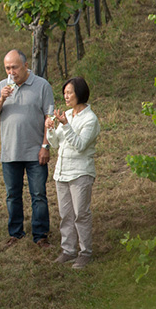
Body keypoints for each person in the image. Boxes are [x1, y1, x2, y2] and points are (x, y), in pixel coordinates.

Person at [0, 49, 55, 248]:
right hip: (10, 152)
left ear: (25, 66)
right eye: (7, 68)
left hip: (35, 151)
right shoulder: (1, 87)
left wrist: (45, 146)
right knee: (12, 195)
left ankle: (40, 235)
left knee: (39, 194)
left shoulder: (42, 86)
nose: (11, 72)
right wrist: (2, 99)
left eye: (14, 67)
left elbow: (48, 119)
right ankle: (16, 233)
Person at [46, 76, 100, 270]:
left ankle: (85, 252)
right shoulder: (67, 114)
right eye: (65, 92)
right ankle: (68, 250)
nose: (66, 96)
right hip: (62, 173)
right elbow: (55, 144)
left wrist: (65, 125)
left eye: (69, 92)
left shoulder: (90, 119)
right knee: (65, 214)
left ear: (80, 93)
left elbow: (79, 146)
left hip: (80, 173)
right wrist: (50, 130)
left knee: (81, 214)